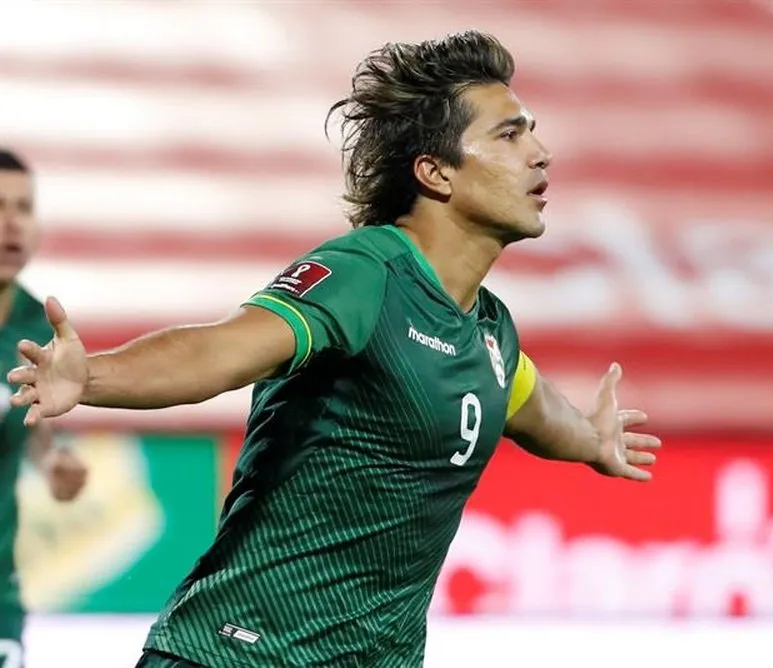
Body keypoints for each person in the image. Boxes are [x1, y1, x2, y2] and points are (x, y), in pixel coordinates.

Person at [8, 31, 660, 667]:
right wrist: (91, 377)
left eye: (532, 131)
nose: (540, 153)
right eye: (510, 135)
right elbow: (221, 350)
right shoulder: (365, 275)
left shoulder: (488, 330)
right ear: (435, 172)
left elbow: (531, 406)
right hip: (239, 653)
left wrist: (592, 441)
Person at [0, 149, 88, 668]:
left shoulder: (37, 324)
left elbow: (24, 420)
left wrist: (51, 459)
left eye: (24, 207)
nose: (11, 222)